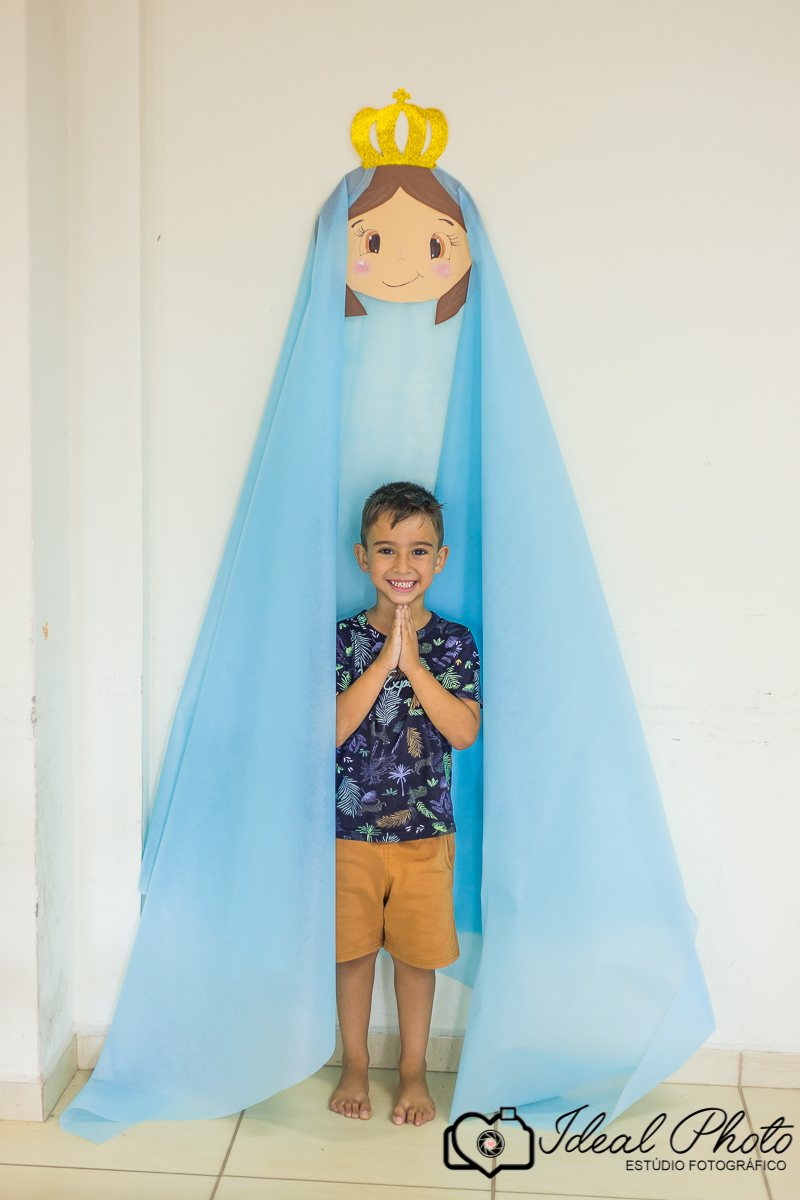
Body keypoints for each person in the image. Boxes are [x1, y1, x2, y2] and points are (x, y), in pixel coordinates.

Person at [330, 482, 482, 1126]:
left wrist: (415, 667)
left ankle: (414, 1070)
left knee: (417, 959)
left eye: (418, 551)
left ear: (440, 560)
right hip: (348, 835)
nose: (402, 564)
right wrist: (384, 660)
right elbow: (329, 731)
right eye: (386, 549)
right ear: (362, 557)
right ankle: (356, 1064)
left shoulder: (453, 641)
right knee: (352, 953)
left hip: (425, 836)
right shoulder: (340, 640)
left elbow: (464, 732)